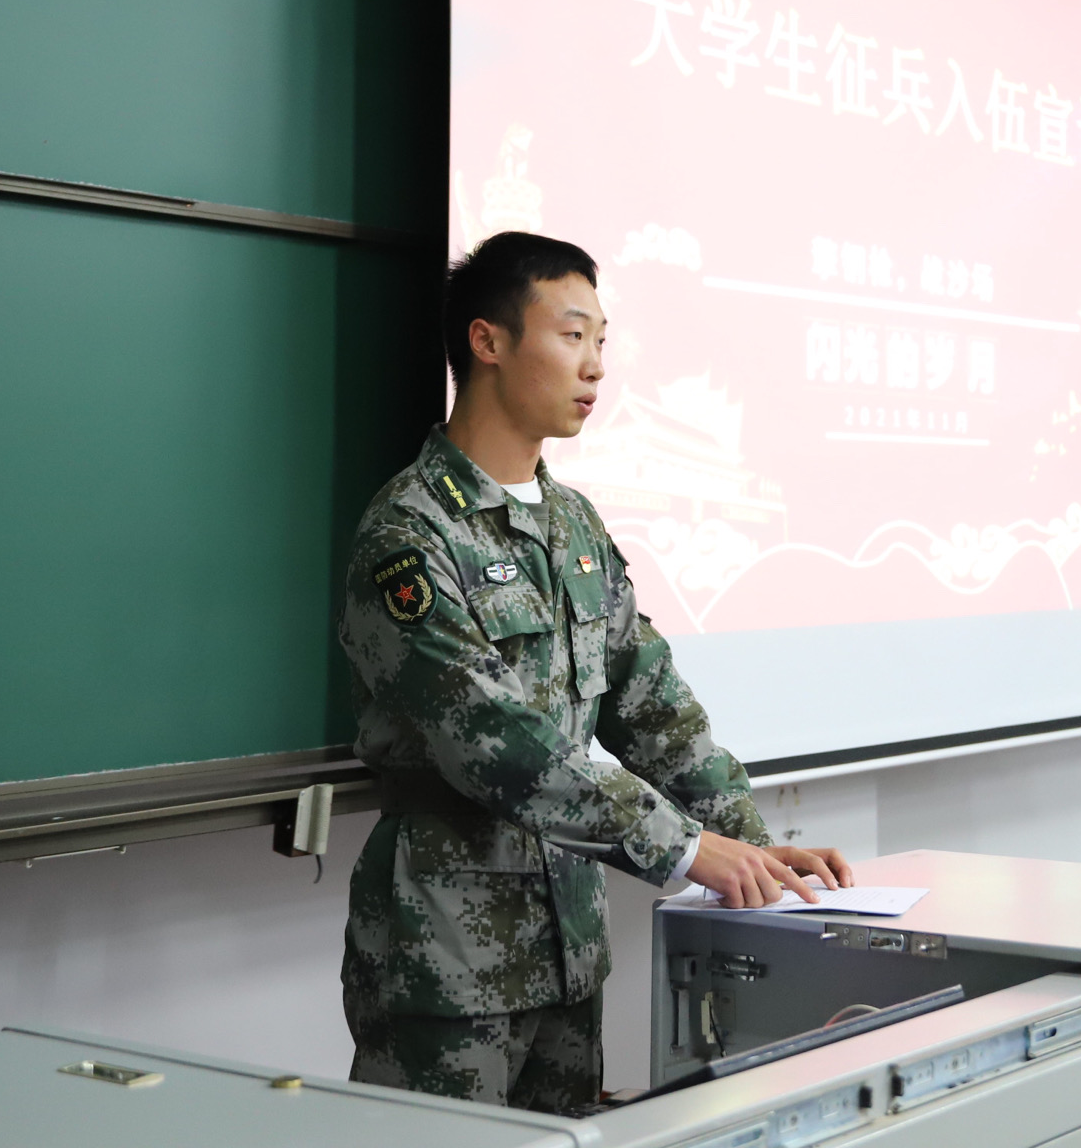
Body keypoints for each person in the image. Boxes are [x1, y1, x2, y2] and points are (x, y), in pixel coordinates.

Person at [338, 231, 853, 1114]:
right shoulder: (410, 533)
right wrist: (685, 849)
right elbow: (496, 742)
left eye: (602, 341)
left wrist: (749, 843)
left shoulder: (573, 524)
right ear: (487, 341)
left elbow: (652, 705)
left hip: (568, 946)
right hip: (444, 955)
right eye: (572, 335)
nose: (595, 366)